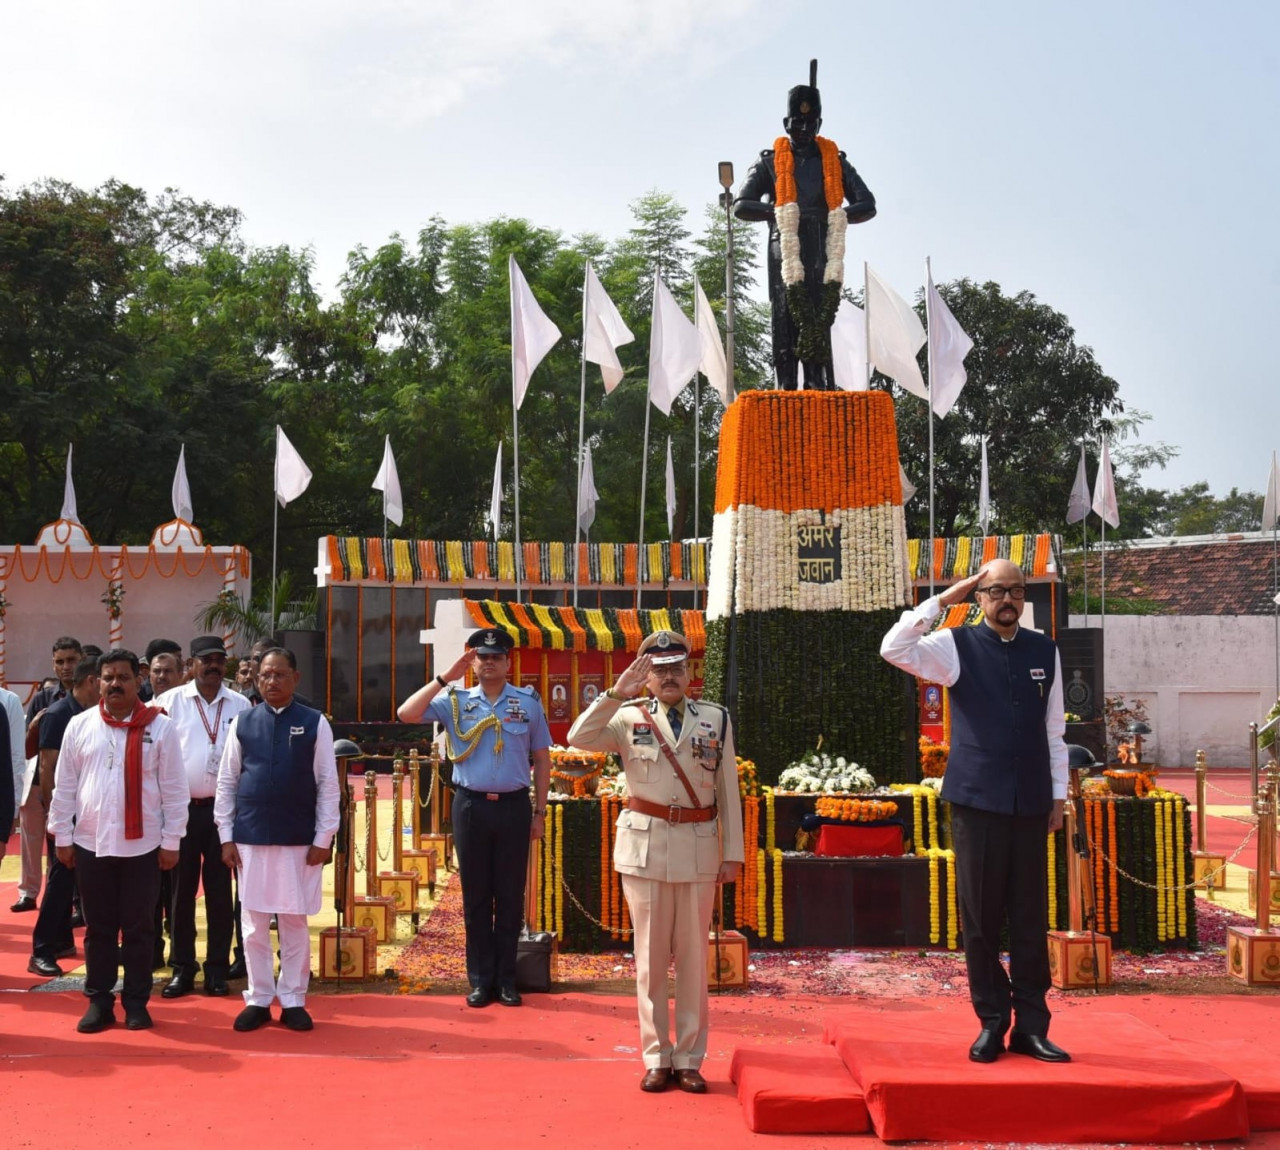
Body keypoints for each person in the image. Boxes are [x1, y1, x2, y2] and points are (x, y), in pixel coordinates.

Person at [880, 559, 1070, 1064]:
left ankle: (1031, 1026)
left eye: (1015, 591)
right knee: (981, 918)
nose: (1006, 600)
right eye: (995, 591)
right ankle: (992, 1021)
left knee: (1030, 917)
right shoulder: (954, 645)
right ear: (979, 598)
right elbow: (893, 647)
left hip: (1031, 802)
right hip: (977, 802)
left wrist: (1058, 797)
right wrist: (942, 600)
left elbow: (1055, 732)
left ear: (1024, 598)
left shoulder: (1043, 649)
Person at [567, 630, 744, 1094]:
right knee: (648, 962)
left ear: (690, 673)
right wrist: (614, 693)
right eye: (659, 670)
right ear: (647, 678)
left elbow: (729, 792)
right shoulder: (627, 718)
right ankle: (655, 1057)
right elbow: (578, 737)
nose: (669, 677)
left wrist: (733, 853)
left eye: (676, 669)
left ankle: (688, 1057)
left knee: (691, 960)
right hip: (644, 851)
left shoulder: (716, 719)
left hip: (699, 847)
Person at [397, 628, 552, 1008]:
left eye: (496, 657)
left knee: (510, 896)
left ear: (507, 662)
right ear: (474, 662)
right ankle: (481, 980)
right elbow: (406, 713)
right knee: (477, 897)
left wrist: (539, 812)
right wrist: (445, 677)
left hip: (514, 806)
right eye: (482, 657)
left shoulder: (527, 703)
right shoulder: (456, 701)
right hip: (471, 806)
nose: (489, 663)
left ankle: (507, 979)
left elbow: (543, 760)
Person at [47, 649, 187, 1033]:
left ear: (137, 681)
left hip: (143, 847)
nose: (114, 684)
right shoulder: (80, 725)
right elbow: (65, 787)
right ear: (97, 682)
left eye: (122, 677)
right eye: (107, 678)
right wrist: (62, 834)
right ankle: (99, 1000)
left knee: (140, 929)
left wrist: (172, 839)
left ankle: (137, 1003)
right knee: (98, 929)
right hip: (91, 842)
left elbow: (174, 790)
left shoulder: (159, 728)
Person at [215, 647, 338, 1032]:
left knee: (293, 921)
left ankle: (293, 998)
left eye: (280, 675)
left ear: (295, 678)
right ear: (256, 678)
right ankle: (258, 997)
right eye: (266, 675)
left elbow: (328, 785)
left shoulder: (315, 722)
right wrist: (225, 836)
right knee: (252, 923)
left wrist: (324, 836)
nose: (272, 682)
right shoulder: (242, 723)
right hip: (250, 838)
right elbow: (227, 781)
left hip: (298, 839)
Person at [734, 71, 876, 391]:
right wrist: (780, 213)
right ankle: (785, 384)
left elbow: (867, 203)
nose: (802, 130)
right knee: (784, 314)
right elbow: (742, 204)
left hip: (822, 245)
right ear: (786, 124)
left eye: (809, 125)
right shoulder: (770, 162)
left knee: (818, 314)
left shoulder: (835, 163)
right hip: (785, 245)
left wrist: (837, 217)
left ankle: (816, 383)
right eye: (797, 125)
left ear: (819, 126)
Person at [156, 636, 250, 999]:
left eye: (219, 661)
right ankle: (182, 968)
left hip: (223, 814)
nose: (213, 666)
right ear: (190, 665)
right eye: (205, 660)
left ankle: (216, 970)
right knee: (180, 895)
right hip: (180, 812)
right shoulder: (167, 704)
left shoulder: (240, 705)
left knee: (220, 894)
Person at [28, 656, 100, 977]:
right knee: (60, 884)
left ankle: (61, 941)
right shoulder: (59, 714)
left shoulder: (93, 715)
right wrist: (57, 820)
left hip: (90, 814)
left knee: (73, 883)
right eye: (106, 678)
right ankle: (41, 949)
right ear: (91, 681)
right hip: (65, 816)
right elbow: (47, 769)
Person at [13, 636, 82, 912]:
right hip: (38, 780)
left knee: (68, 844)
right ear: (53, 665)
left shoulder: (88, 697)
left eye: (71, 660)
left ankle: (76, 899)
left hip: (72, 783)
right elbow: (29, 748)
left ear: (81, 660)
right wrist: (34, 727)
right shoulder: (42, 698)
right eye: (60, 661)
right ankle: (28, 892)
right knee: (30, 841)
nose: (66, 667)